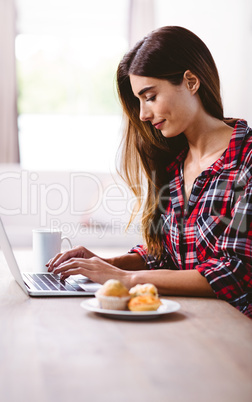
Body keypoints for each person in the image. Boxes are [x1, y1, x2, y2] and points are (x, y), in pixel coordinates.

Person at [47, 26, 252, 318]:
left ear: (191, 81)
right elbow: (165, 255)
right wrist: (107, 263)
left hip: (231, 333)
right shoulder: (173, 162)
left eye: (150, 96)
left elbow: (237, 272)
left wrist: (126, 279)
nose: (143, 114)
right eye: (139, 101)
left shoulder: (246, 160)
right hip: (184, 322)